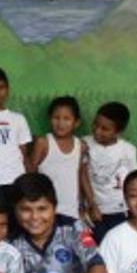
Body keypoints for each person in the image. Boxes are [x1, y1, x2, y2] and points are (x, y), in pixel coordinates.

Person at [82, 101, 137, 242]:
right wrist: (91, 205)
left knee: (116, 244)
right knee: (95, 246)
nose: (97, 131)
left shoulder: (128, 150)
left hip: (118, 210)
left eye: (105, 129)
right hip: (92, 210)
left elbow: (133, 181)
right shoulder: (84, 144)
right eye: (95, 124)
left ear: (118, 132)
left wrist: (133, 210)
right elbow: (81, 176)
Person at [30, 96, 88, 227]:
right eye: (56, 118)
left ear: (76, 122)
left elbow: (79, 177)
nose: (61, 123)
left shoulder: (81, 145)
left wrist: (82, 206)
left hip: (71, 211)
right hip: (46, 211)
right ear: (49, 119)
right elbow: (31, 174)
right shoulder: (43, 143)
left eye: (67, 119)